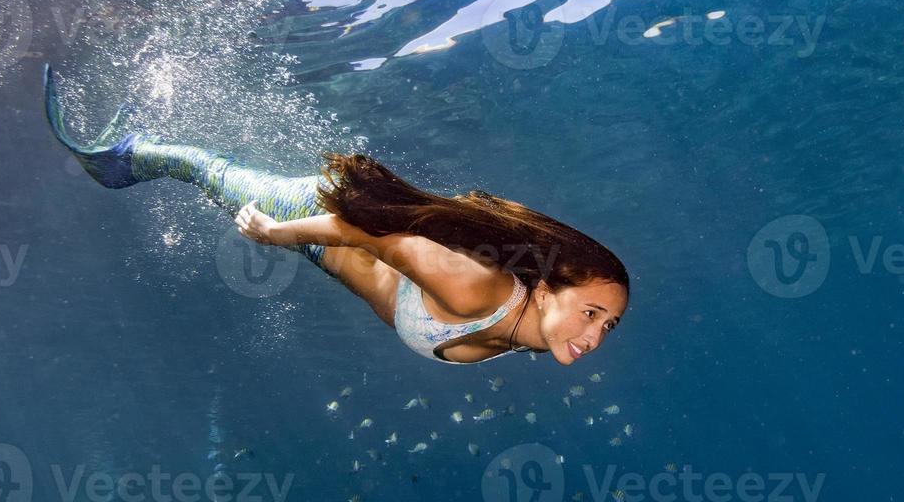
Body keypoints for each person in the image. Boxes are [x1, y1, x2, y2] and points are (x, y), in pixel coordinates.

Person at [44, 65, 627, 365]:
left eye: (607, 326)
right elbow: (365, 234)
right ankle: (122, 154)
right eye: (592, 313)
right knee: (205, 172)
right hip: (320, 223)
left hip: (335, 244)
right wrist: (277, 235)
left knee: (215, 175)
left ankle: (138, 140)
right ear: (549, 291)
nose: (595, 336)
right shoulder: (479, 293)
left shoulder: (532, 330)